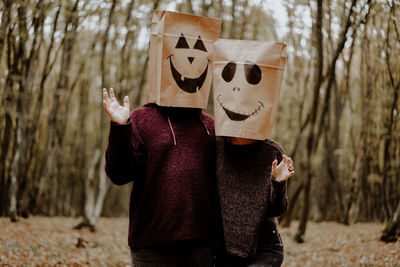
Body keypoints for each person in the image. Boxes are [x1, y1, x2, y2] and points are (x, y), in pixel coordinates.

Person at [102, 88, 217, 266]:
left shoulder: (210, 126)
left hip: (201, 245)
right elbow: (119, 175)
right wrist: (120, 128)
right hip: (151, 245)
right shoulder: (140, 119)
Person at [215, 136, 294, 267]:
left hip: (264, 246)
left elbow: (277, 210)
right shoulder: (216, 147)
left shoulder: (272, 151)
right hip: (223, 249)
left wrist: (278, 182)